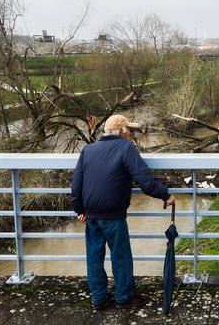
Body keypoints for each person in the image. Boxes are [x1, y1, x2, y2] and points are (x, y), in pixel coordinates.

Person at [71, 114, 176, 311]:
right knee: (120, 257)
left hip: (91, 214)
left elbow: (76, 183)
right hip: (113, 215)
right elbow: (145, 182)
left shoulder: (88, 149)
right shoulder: (125, 147)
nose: (131, 134)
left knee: (94, 257)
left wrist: (79, 209)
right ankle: (124, 297)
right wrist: (165, 195)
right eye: (129, 130)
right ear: (121, 131)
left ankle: (99, 299)